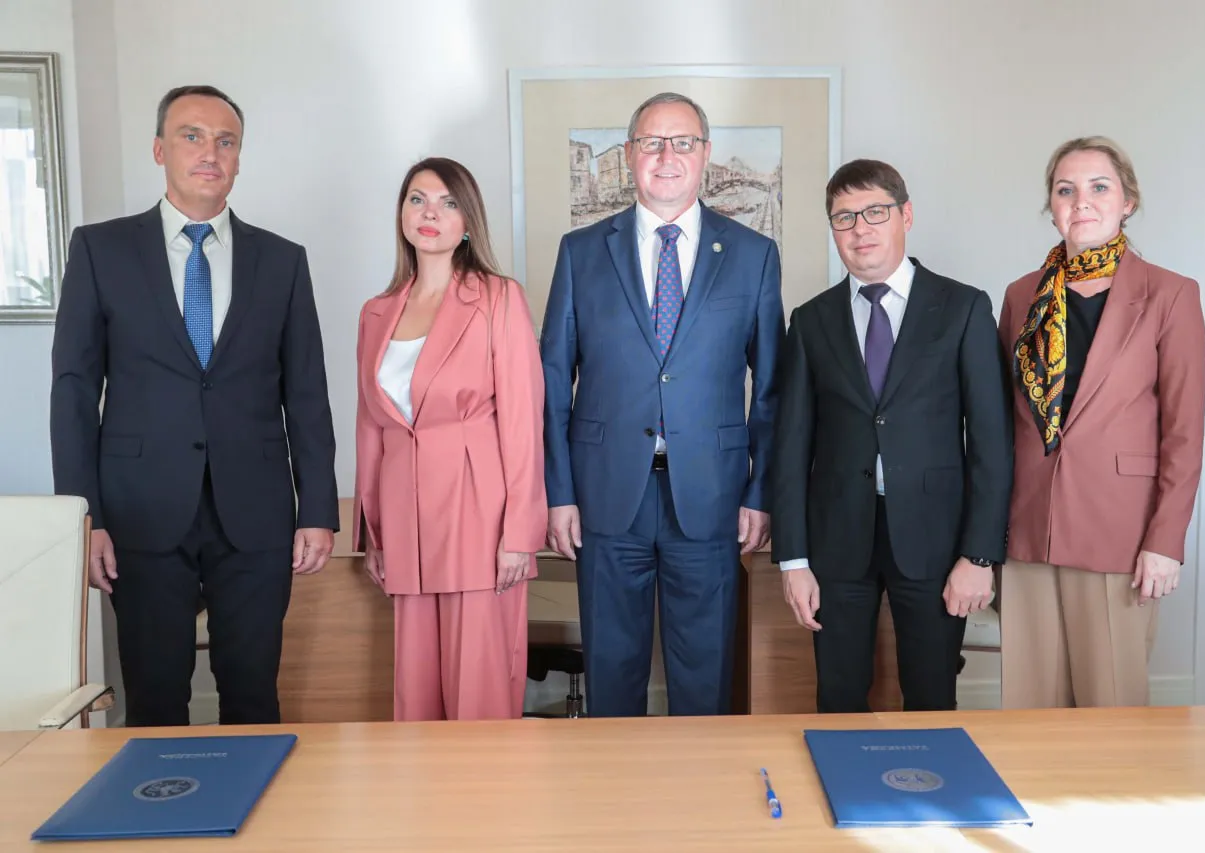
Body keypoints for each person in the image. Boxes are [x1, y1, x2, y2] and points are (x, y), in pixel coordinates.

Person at [50, 85, 339, 727]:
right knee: (155, 698)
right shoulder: (100, 250)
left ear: (238, 158)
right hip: (140, 511)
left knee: (254, 697)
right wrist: (84, 516)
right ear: (160, 149)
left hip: (257, 513)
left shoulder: (282, 261)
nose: (210, 152)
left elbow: (307, 393)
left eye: (225, 141)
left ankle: (255, 798)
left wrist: (318, 509)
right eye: (192, 136)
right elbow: (73, 389)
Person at [541, 92, 784, 717]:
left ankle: (699, 784)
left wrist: (760, 492)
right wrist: (559, 493)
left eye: (682, 142)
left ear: (705, 153)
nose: (666, 156)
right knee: (611, 675)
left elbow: (771, 390)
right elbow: (552, 381)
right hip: (604, 496)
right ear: (630, 154)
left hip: (712, 496)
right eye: (651, 143)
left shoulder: (753, 255)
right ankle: (615, 783)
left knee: (705, 679)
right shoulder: (580, 252)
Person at [770, 159, 1013, 713]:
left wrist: (979, 556)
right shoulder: (810, 320)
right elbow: (791, 447)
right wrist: (793, 560)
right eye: (844, 218)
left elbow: (991, 443)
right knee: (837, 696)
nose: (860, 229)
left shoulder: (963, 308)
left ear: (906, 215)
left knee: (930, 694)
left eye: (875, 212)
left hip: (935, 539)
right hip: (836, 542)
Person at [997, 136, 1205, 708]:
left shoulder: (1170, 294)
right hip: (1030, 523)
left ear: (1127, 201)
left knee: (1111, 707)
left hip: (1121, 530)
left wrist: (1166, 541)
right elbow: (1001, 422)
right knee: (1031, 705)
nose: (1081, 201)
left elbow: (1185, 433)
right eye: (1065, 190)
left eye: (1098, 187)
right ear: (1052, 206)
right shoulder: (1021, 296)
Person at [353, 157, 546, 721]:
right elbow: (371, 428)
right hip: (405, 518)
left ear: (468, 221)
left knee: (478, 689)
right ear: (402, 214)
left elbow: (522, 419)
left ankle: (485, 785)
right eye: (417, 199)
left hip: (478, 514)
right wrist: (374, 534)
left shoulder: (498, 297)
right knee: (415, 694)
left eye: (448, 202)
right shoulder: (376, 312)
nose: (430, 213)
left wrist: (520, 533)